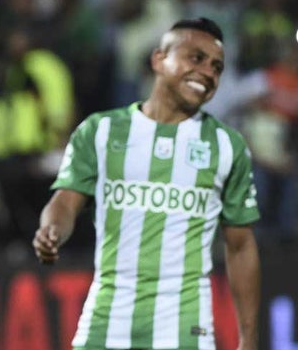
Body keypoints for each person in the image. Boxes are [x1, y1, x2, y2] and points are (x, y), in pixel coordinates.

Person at [33, 18, 260, 350]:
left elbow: (240, 246)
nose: (207, 72)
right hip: (105, 326)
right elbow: (66, 202)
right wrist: (51, 229)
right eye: (196, 58)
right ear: (159, 59)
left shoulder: (227, 146)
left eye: (216, 67)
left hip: (184, 332)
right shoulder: (100, 131)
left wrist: (249, 338)